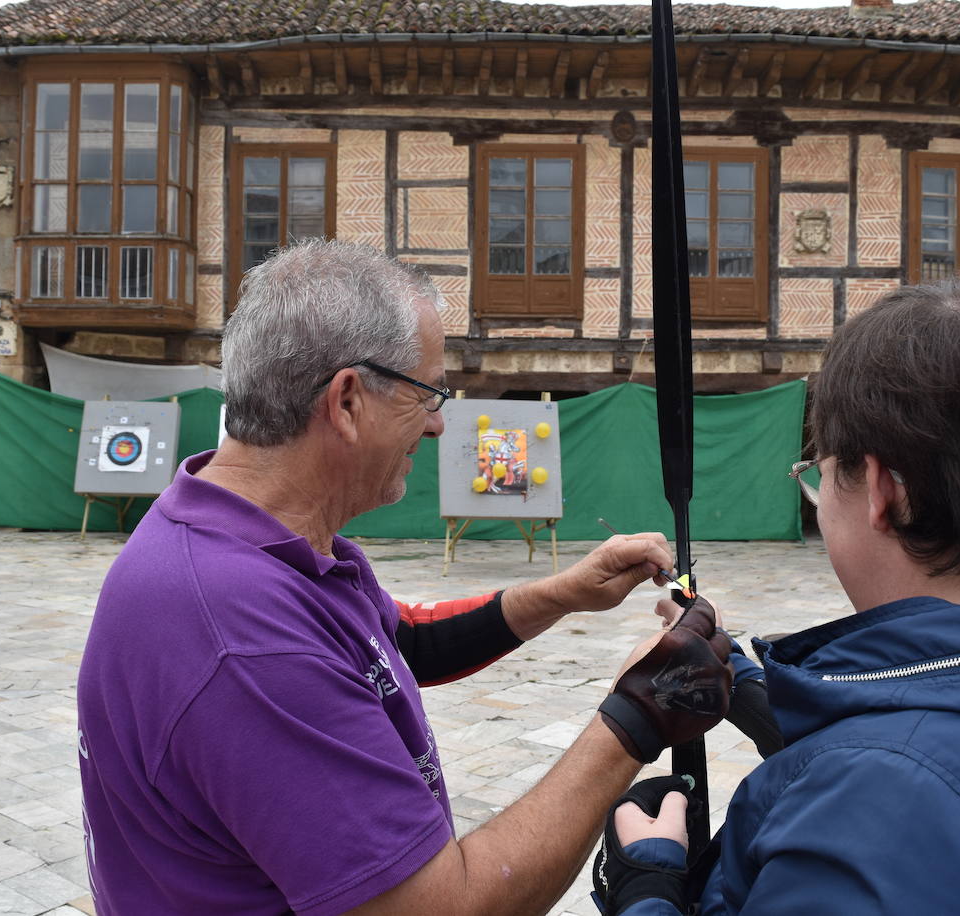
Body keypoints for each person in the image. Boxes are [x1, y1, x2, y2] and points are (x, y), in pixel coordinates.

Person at [76, 239, 735, 915]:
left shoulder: (254, 540)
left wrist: (562, 593)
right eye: (428, 394)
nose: (439, 423)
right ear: (349, 401)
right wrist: (641, 712)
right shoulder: (243, 633)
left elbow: (395, 647)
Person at [595, 274, 960, 915]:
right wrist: (754, 690)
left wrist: (650, 889)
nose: (817, 497)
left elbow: (916, 792)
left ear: (886, 491)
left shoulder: (863, 819)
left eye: (821, 475)